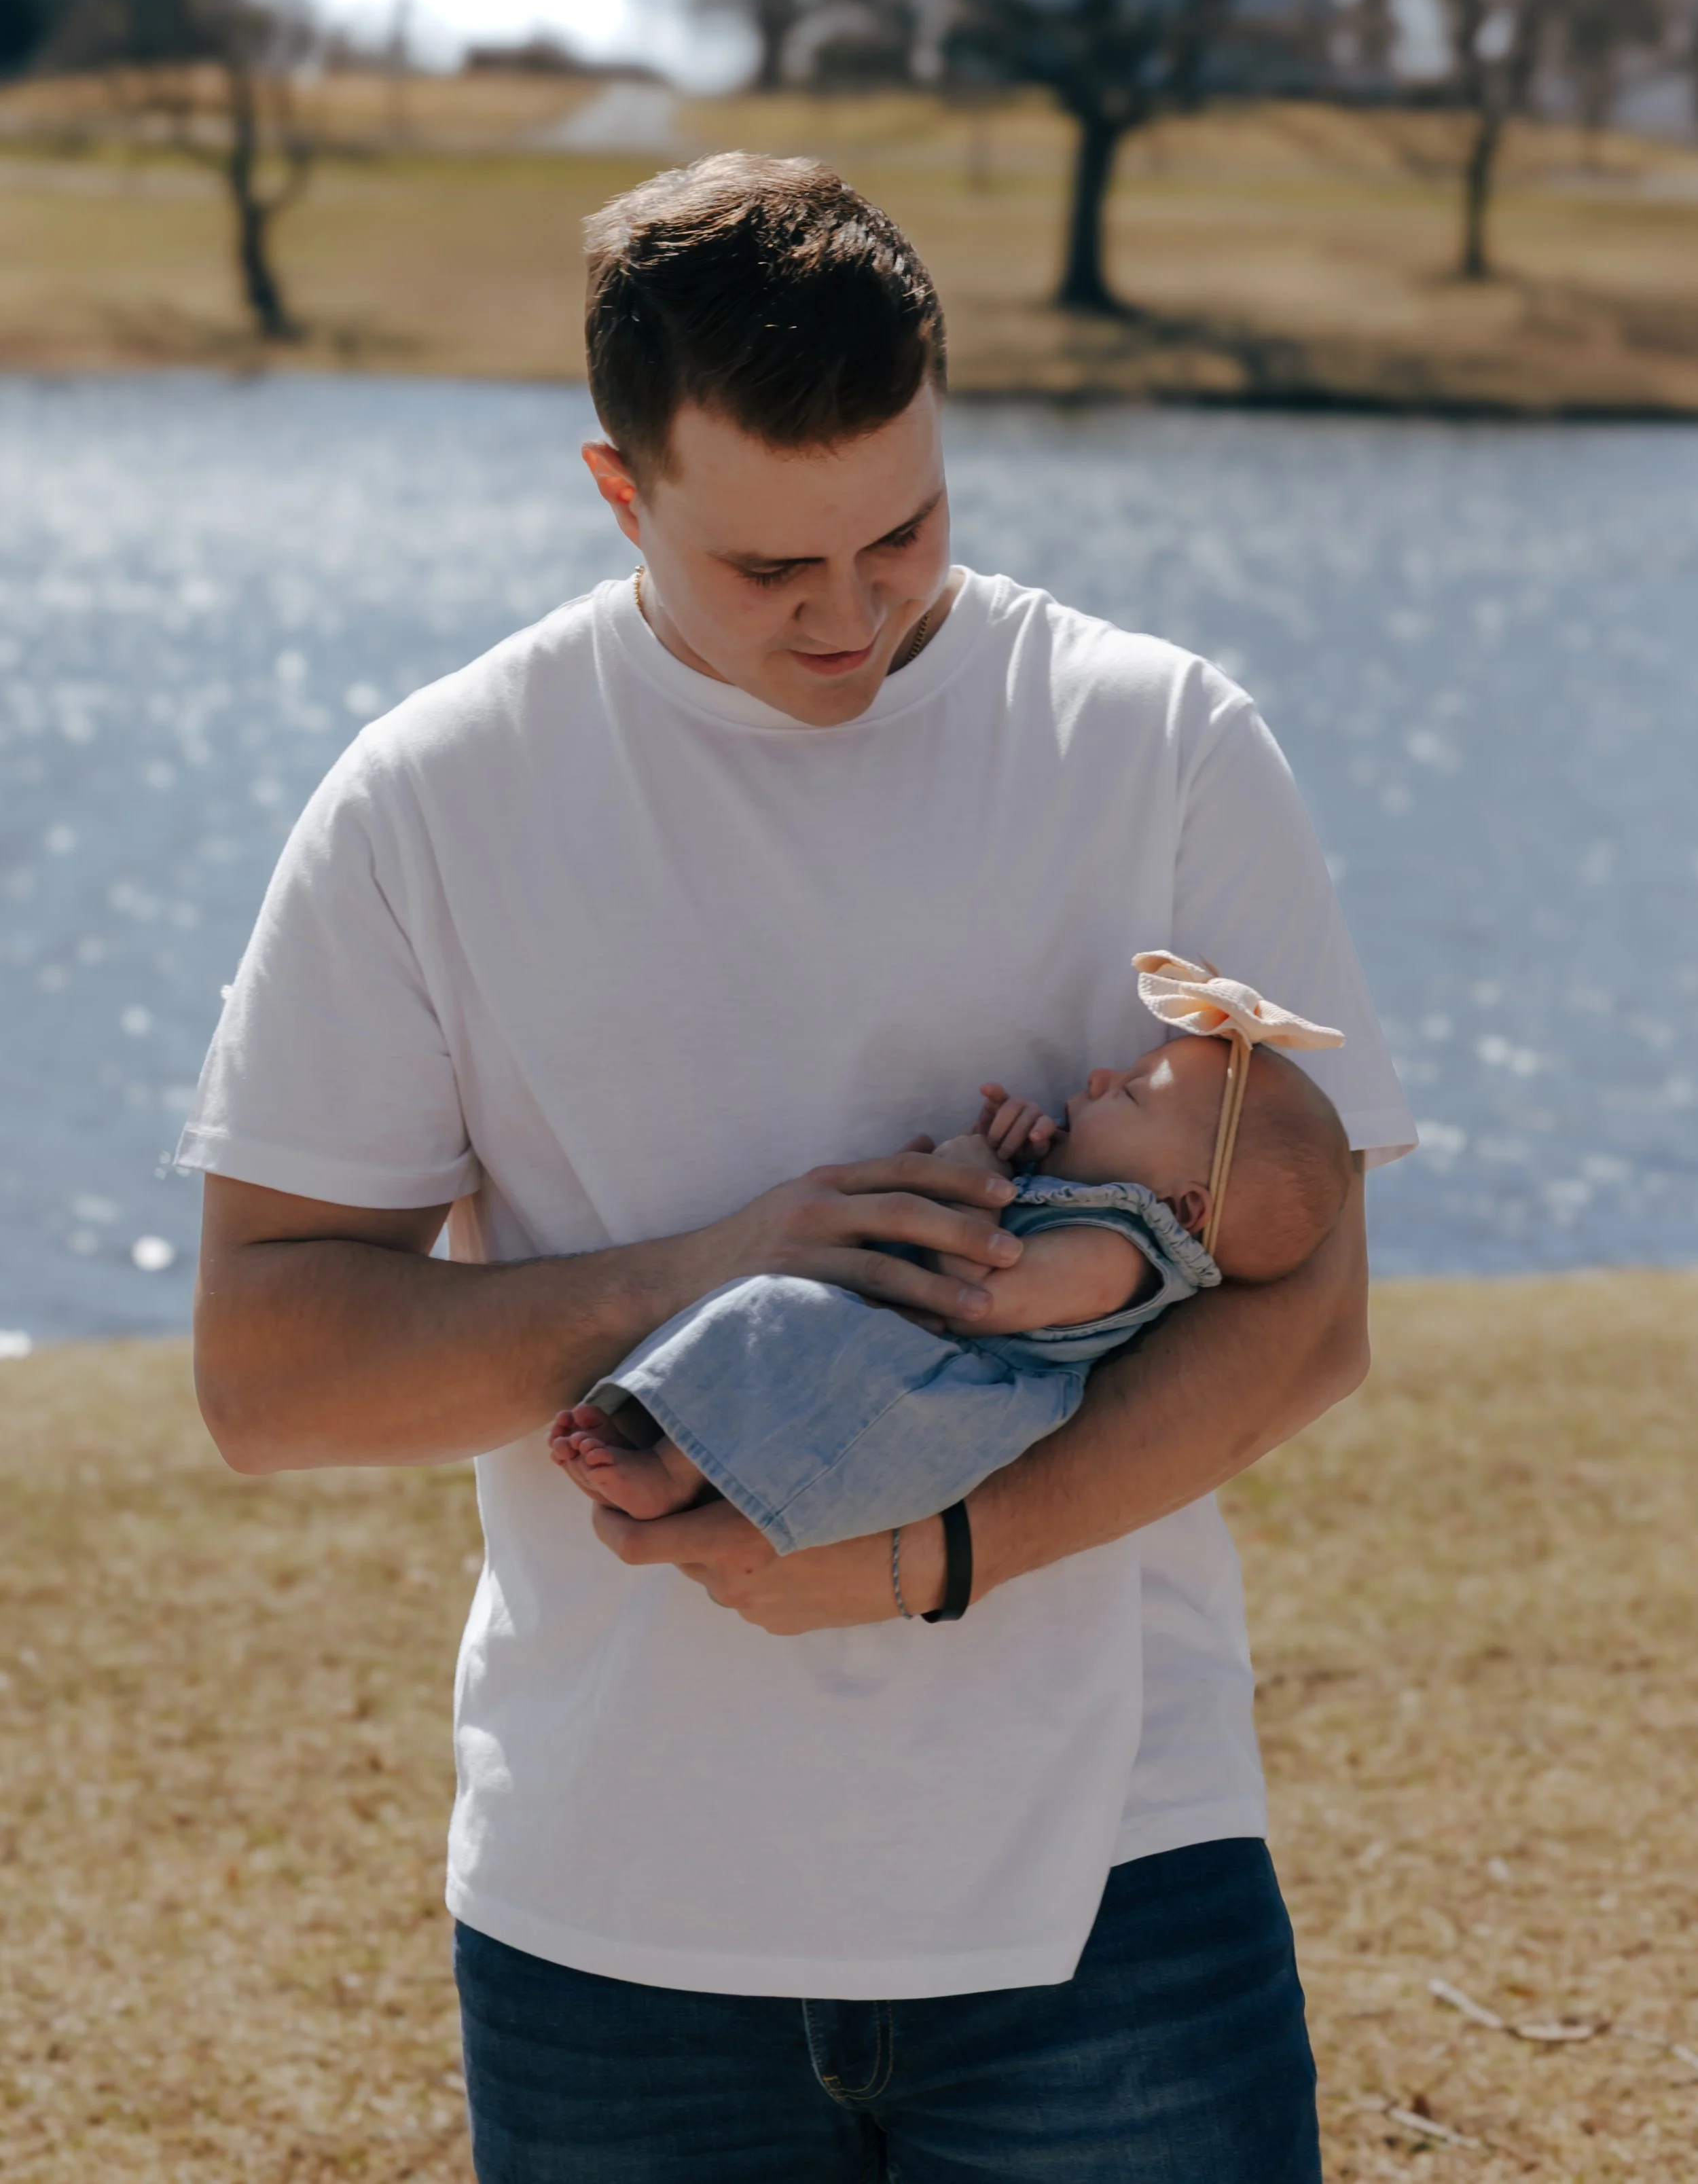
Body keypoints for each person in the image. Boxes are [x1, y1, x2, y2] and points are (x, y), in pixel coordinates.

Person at [183, 151, 1415, 2183]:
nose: (851, 612)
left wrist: (934, 1558)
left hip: (1113, 1887)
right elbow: (266, 1371)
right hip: (617, 1918)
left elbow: (1314, 1313)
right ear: (618, 492)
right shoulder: (431, 800)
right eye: (770, 570)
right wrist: (710, 1259)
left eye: (903, 529)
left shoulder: (1158, 741)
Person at [552, 987, 1353, 1557]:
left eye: (1134, 1097)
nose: (1104, 1078)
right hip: (902, 1339)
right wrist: (1002, 1160)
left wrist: (972, 1170)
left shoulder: (1117, 1255)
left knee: (785, 1323)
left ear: (1184, 1211)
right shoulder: (1093, 1207)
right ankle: (660, 1428)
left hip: (938, 1384)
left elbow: (983, 1296)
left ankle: (670, 1469)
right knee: (771, 1317)